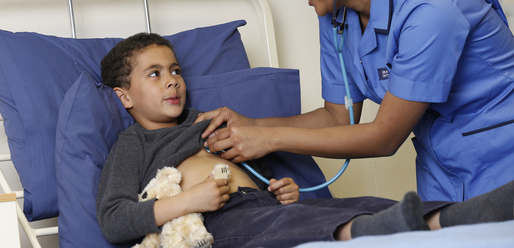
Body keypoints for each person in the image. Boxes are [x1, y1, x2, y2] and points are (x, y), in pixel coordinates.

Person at [96, 33, 514, 248]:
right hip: (217, 222)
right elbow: (114, 219)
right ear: (124, 95)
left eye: (175, 70)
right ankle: (400, 231)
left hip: (261, 207)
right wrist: (190, 202)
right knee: (301, 226)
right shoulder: (134, 144)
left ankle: (461, 217)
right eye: (154, 74)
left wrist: (280, 191)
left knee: (362, 205)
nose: (172, 80)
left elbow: (257, 175)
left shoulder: (206, 123)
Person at [198, 0, 514, 202]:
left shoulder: (429, 8)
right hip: (442, 168)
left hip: (501, 157)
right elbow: (337, 116)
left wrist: (268, 140)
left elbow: (385, 137)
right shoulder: (336, 15)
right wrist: (253, 127)